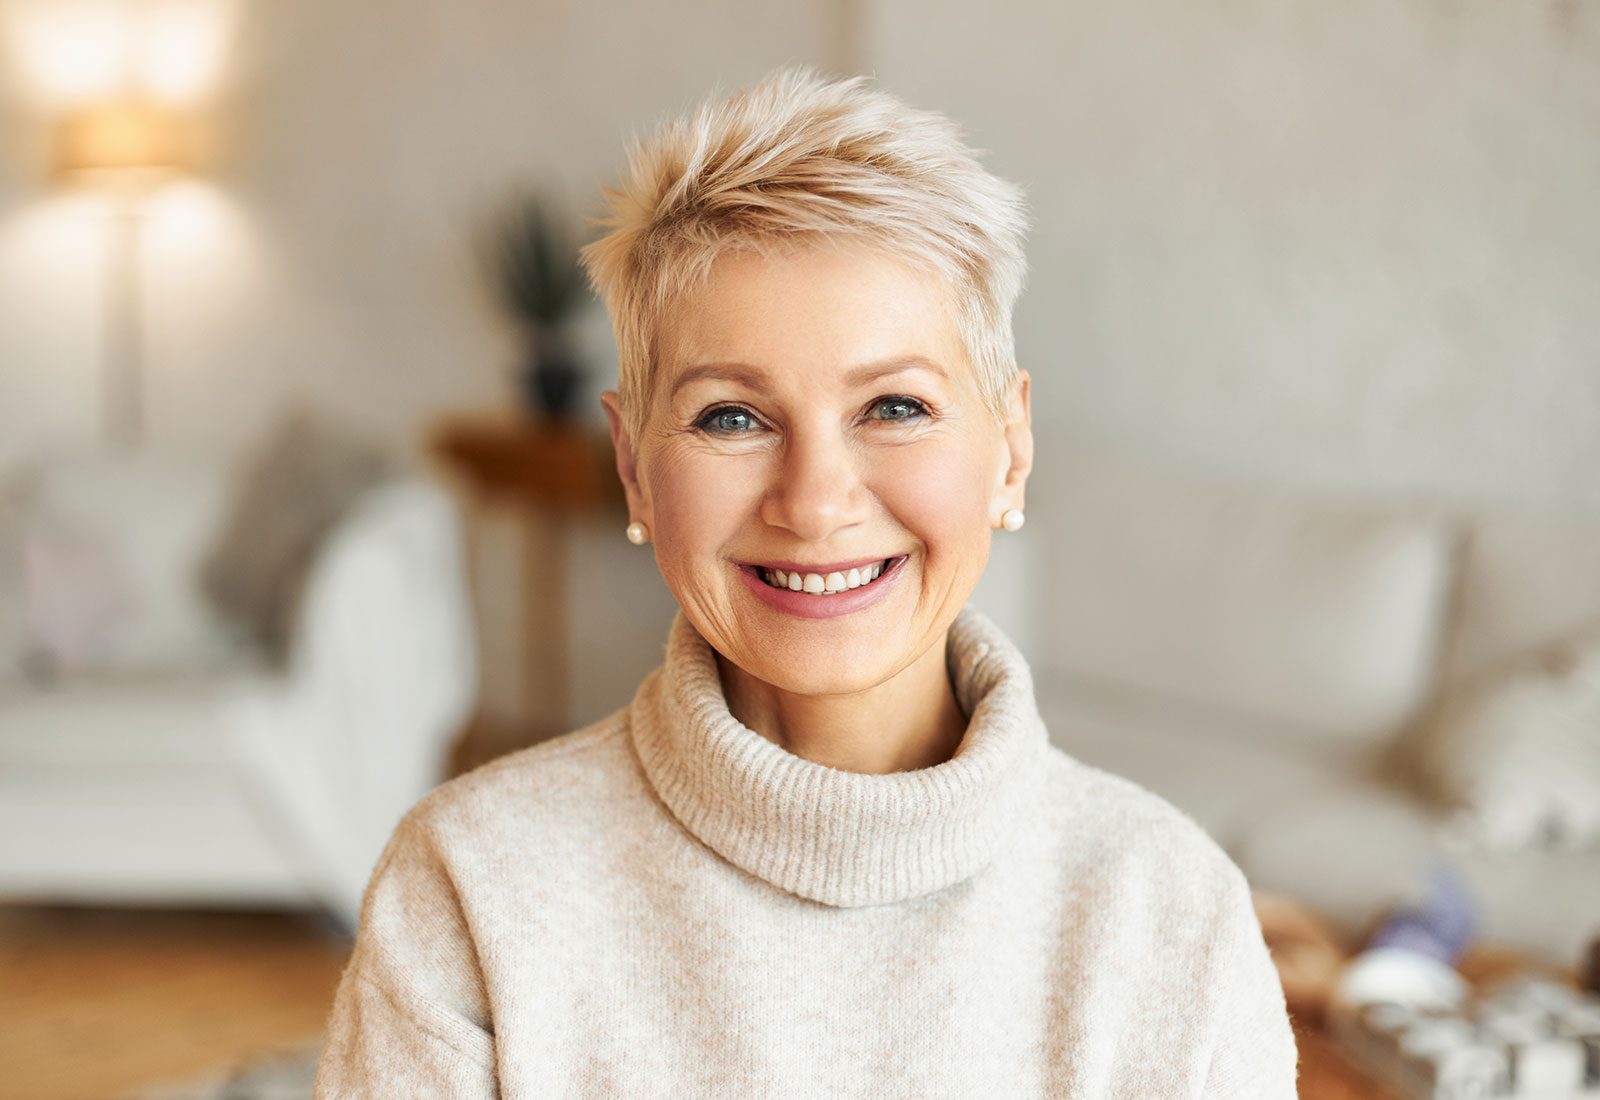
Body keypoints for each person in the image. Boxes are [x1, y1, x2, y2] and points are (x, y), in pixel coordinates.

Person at [313, 64, 1299, 1097]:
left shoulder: (1169, 909)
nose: (815, 500)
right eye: (731, 416)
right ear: (634, 465)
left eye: (894, 406)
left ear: (1010, 447)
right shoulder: (471, 886)